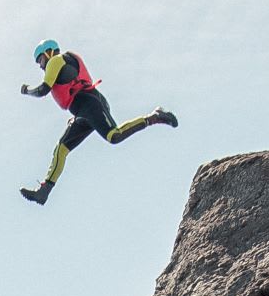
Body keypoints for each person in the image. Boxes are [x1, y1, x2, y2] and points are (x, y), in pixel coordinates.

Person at [19, 40, 177, 205]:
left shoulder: (56, 60)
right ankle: (44, 192)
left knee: (114, 136)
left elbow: (42, 90)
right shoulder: (62, 62)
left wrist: (26, 90)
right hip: (82, 111)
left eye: (40, 60)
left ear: (49, 52)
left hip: (90, 104)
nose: (40, 65)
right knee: (61, 149)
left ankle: (155, 116)